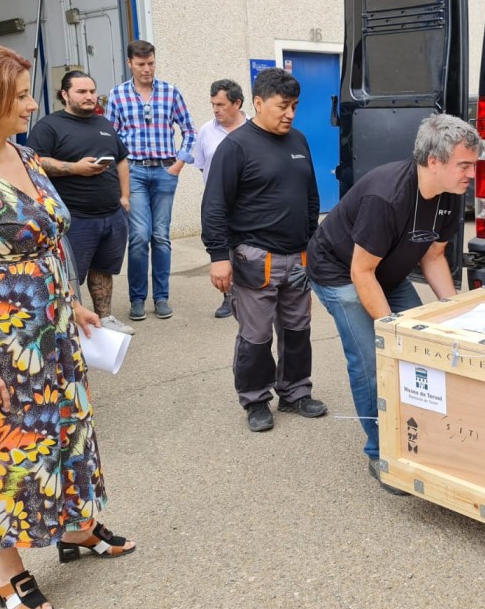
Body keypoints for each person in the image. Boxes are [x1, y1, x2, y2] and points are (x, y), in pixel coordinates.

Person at [0, 43, 135, 609]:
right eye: (18, 95)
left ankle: (76, 529)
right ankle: (5, 569)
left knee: (63, 435)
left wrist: (74, 303)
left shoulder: (24, 155)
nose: (31, 102)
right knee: (1, 457)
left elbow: (46, 242)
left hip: (52, 339)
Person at [307, 114, 481, 491]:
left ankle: (420, 435)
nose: (472, 173)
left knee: (423, 342)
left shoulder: (452, 195)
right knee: (373, 358)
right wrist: (390, 331)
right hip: (341, 271)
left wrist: (454, 315)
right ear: (434, 161)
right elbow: (361, 272)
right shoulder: (387, 196)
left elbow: (433, 256)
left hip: (385, 271)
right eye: (464, 165)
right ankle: (381, 451)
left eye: (473, 164)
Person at [201, 68, 326, 432]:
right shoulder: (236, 146)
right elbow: (214, 206)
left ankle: (295, 392)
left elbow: (311, 196)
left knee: (298, 330)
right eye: (282, 106)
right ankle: (256, 399)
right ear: (258, 103)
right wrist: (219, 257)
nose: (289, 113)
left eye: (295, 106)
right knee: (255, 337)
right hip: (255, 260)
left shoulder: (299, 141)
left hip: (297, 258)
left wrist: (311, 248)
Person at [26, 70, 134, 335]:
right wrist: (74, 168)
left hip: (111, 214)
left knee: (104, 270)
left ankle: (105, 319)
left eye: (92, 91)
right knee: (70, 275)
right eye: (81, 92)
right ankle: (71, 325)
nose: (89, 97)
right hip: (75, 217)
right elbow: (34, 162)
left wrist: (125, 197)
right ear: (65, 94)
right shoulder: (49, 126)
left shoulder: (103, 123)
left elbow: (120, 159)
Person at [106, 39, 195, 321]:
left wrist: (179, 164)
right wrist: (119, 173)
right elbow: (110, 138)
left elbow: (189, 131)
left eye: (151, 63)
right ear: (130, 63)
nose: (147, 69)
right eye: (141, 64)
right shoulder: (118, 95)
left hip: (165, 171)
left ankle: (161, 297)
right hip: (133, 172)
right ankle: (137, 298)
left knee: (161, 237)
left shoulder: (170, 92)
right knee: (140, 237)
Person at [194, 79, 247, 318]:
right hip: (219, 204)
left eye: (221, 104)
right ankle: (228, 297)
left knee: (245, 251)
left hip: (246, 203)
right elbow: (202, 166)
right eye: (213, 104)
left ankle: (247, 294)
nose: (216, 109)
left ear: (237, 103)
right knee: (223, 251)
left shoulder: (253, 128)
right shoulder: (206, 130)